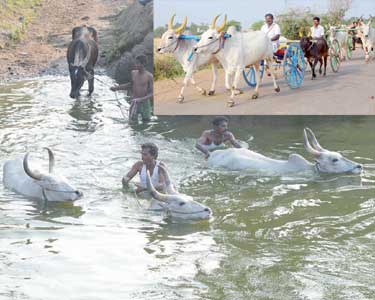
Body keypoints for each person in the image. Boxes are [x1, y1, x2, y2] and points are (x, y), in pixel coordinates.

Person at [110, 54, 153, 123]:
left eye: (138, 63)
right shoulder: (133, 73)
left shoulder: (149, 76)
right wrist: (116, 88)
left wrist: (141, 99)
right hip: (134, 102)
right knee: (132, 124)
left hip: (145, 104)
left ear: (143, 64)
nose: (135, 65)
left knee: (146, 124)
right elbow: (130, 85)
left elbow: (152, 93)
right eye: (135, 63)